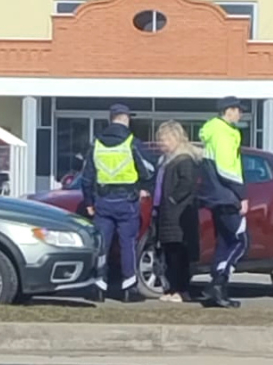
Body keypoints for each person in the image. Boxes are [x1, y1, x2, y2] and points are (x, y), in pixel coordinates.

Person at [82, 103, 154, 303]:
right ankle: (129, 288)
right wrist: (144, 187)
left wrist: (89, 201)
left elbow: (87, 177)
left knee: (102, 245)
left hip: (103, 201)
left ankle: (98, 287)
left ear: (110, 119)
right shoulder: (132, 142)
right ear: (126, 119)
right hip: (127, 201)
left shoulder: (96, 143)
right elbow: (148, 170)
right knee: (127, 245)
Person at [197, 96, 249, 309]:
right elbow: (227, 168)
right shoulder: (224, 133)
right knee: (240, 241)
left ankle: (217, 289)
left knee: (225, 241)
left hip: (215, 195)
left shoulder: (212, 130)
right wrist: (242, 195)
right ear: (229, 111)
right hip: (226, 195)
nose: (241, 114)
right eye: (239, 110)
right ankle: (218, 283)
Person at [153, 121, 201, 303]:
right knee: (168, 254)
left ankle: (181, 290)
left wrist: (172, 200)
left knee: (179, 254)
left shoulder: (184, 159)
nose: (161, 143)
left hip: (178, 215)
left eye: (164, 139)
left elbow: (187, 183)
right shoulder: (166, 161)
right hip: (166, 214)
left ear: (175, 138)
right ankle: (171, 289)